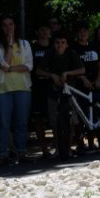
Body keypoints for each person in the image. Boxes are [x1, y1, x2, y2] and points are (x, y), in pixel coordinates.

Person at [0, 16, 34, 164]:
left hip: (23, 87)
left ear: (15, 26)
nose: (8, 27)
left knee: (21, 122)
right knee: (3, 123)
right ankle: (2, 154)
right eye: (5, 25)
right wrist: (9, 43)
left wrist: (9, 69)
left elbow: (29, 66)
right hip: (2, 89)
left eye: (11, 24)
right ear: (0, 27)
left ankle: (21, 152)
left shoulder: (25, 43)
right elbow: (4, 62)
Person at [37, 32, 85, 160]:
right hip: (53, 91)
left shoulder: (71, 53)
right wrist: (51, 75)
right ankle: (58, 149)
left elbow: (82, 69)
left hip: (70, 91)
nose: (60, 45)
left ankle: (68, 148)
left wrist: (67, 73)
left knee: (71, 121)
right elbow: (38, 71)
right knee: (54, 121)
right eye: (57, 42)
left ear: (67, 44)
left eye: (63, 42)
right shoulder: (49, 54)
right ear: (53, 44)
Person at [28, 24, 54, 158]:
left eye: (46, 29)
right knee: (39, 119)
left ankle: (59, 146)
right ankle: (44, 150)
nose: (44, 32)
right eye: (41, 29)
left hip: (53, 86)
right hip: (37, 87)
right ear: (37, 32)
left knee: (56, 117)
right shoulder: (32, 48)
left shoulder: (55, 46)